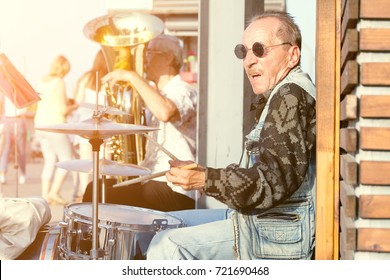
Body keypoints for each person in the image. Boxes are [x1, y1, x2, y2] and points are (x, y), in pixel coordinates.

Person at [146, 11, 316, 260]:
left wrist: (206, 180)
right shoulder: (283, 92)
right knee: (167, 222)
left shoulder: (289, 96)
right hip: (270, 221)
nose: (249, 61)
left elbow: (271, 182)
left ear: (292, 54)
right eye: (243, 51)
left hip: (278, 233)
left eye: (260, 49)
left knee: (167, 245)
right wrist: (204, 175)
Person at [83, 34, 198, 211]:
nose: (144, 59)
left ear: (168, 58)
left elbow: (166, 112)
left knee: (101, 193)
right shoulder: (159, 93)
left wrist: (134, 77)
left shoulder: (184, 89)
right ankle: (92, 239)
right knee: (96, 188)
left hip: (176, 188)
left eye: (150, 53)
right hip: (154, 181)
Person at [34, 55, 78, 205]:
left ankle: (44, 196)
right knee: (67, 161)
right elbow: (62, 109)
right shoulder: (59, 82)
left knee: (49, 161)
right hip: (55, 125)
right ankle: (54, 192)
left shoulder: (41, 81)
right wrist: (75, 106)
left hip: (40, 124)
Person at [71, 50, 109, 202]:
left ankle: (84, 196)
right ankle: (102, 196)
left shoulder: (86, 78)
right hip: (105, 127)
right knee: (105, 166)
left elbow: (77, 100)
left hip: (85, 126)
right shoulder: (108, 79)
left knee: (85, 165)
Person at [0, 96, 28, 185]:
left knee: (20, 150)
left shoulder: (19, 95)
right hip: (8, 121)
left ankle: (22, 173)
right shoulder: (5, 95)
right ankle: (2, 173)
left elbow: (24, 110)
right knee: (5, 149)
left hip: (18, 120)